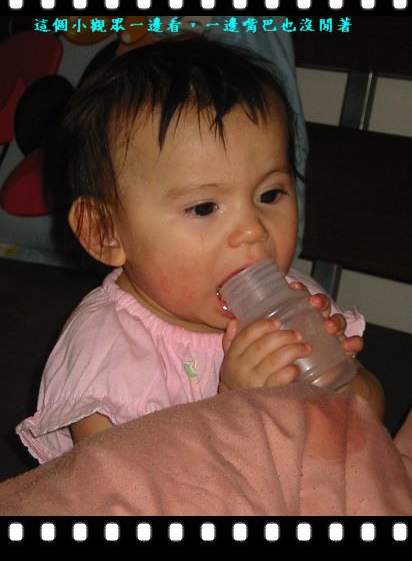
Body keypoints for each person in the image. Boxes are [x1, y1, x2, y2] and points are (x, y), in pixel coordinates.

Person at [16, 36, 384, 464]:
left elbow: (368, 422)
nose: (253, 230)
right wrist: (233, 406)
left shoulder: (296, 300)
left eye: (269, 194)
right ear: (104, 232)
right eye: (204, 207)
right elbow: (124, 487)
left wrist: (342, 379)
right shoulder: (108, 351)